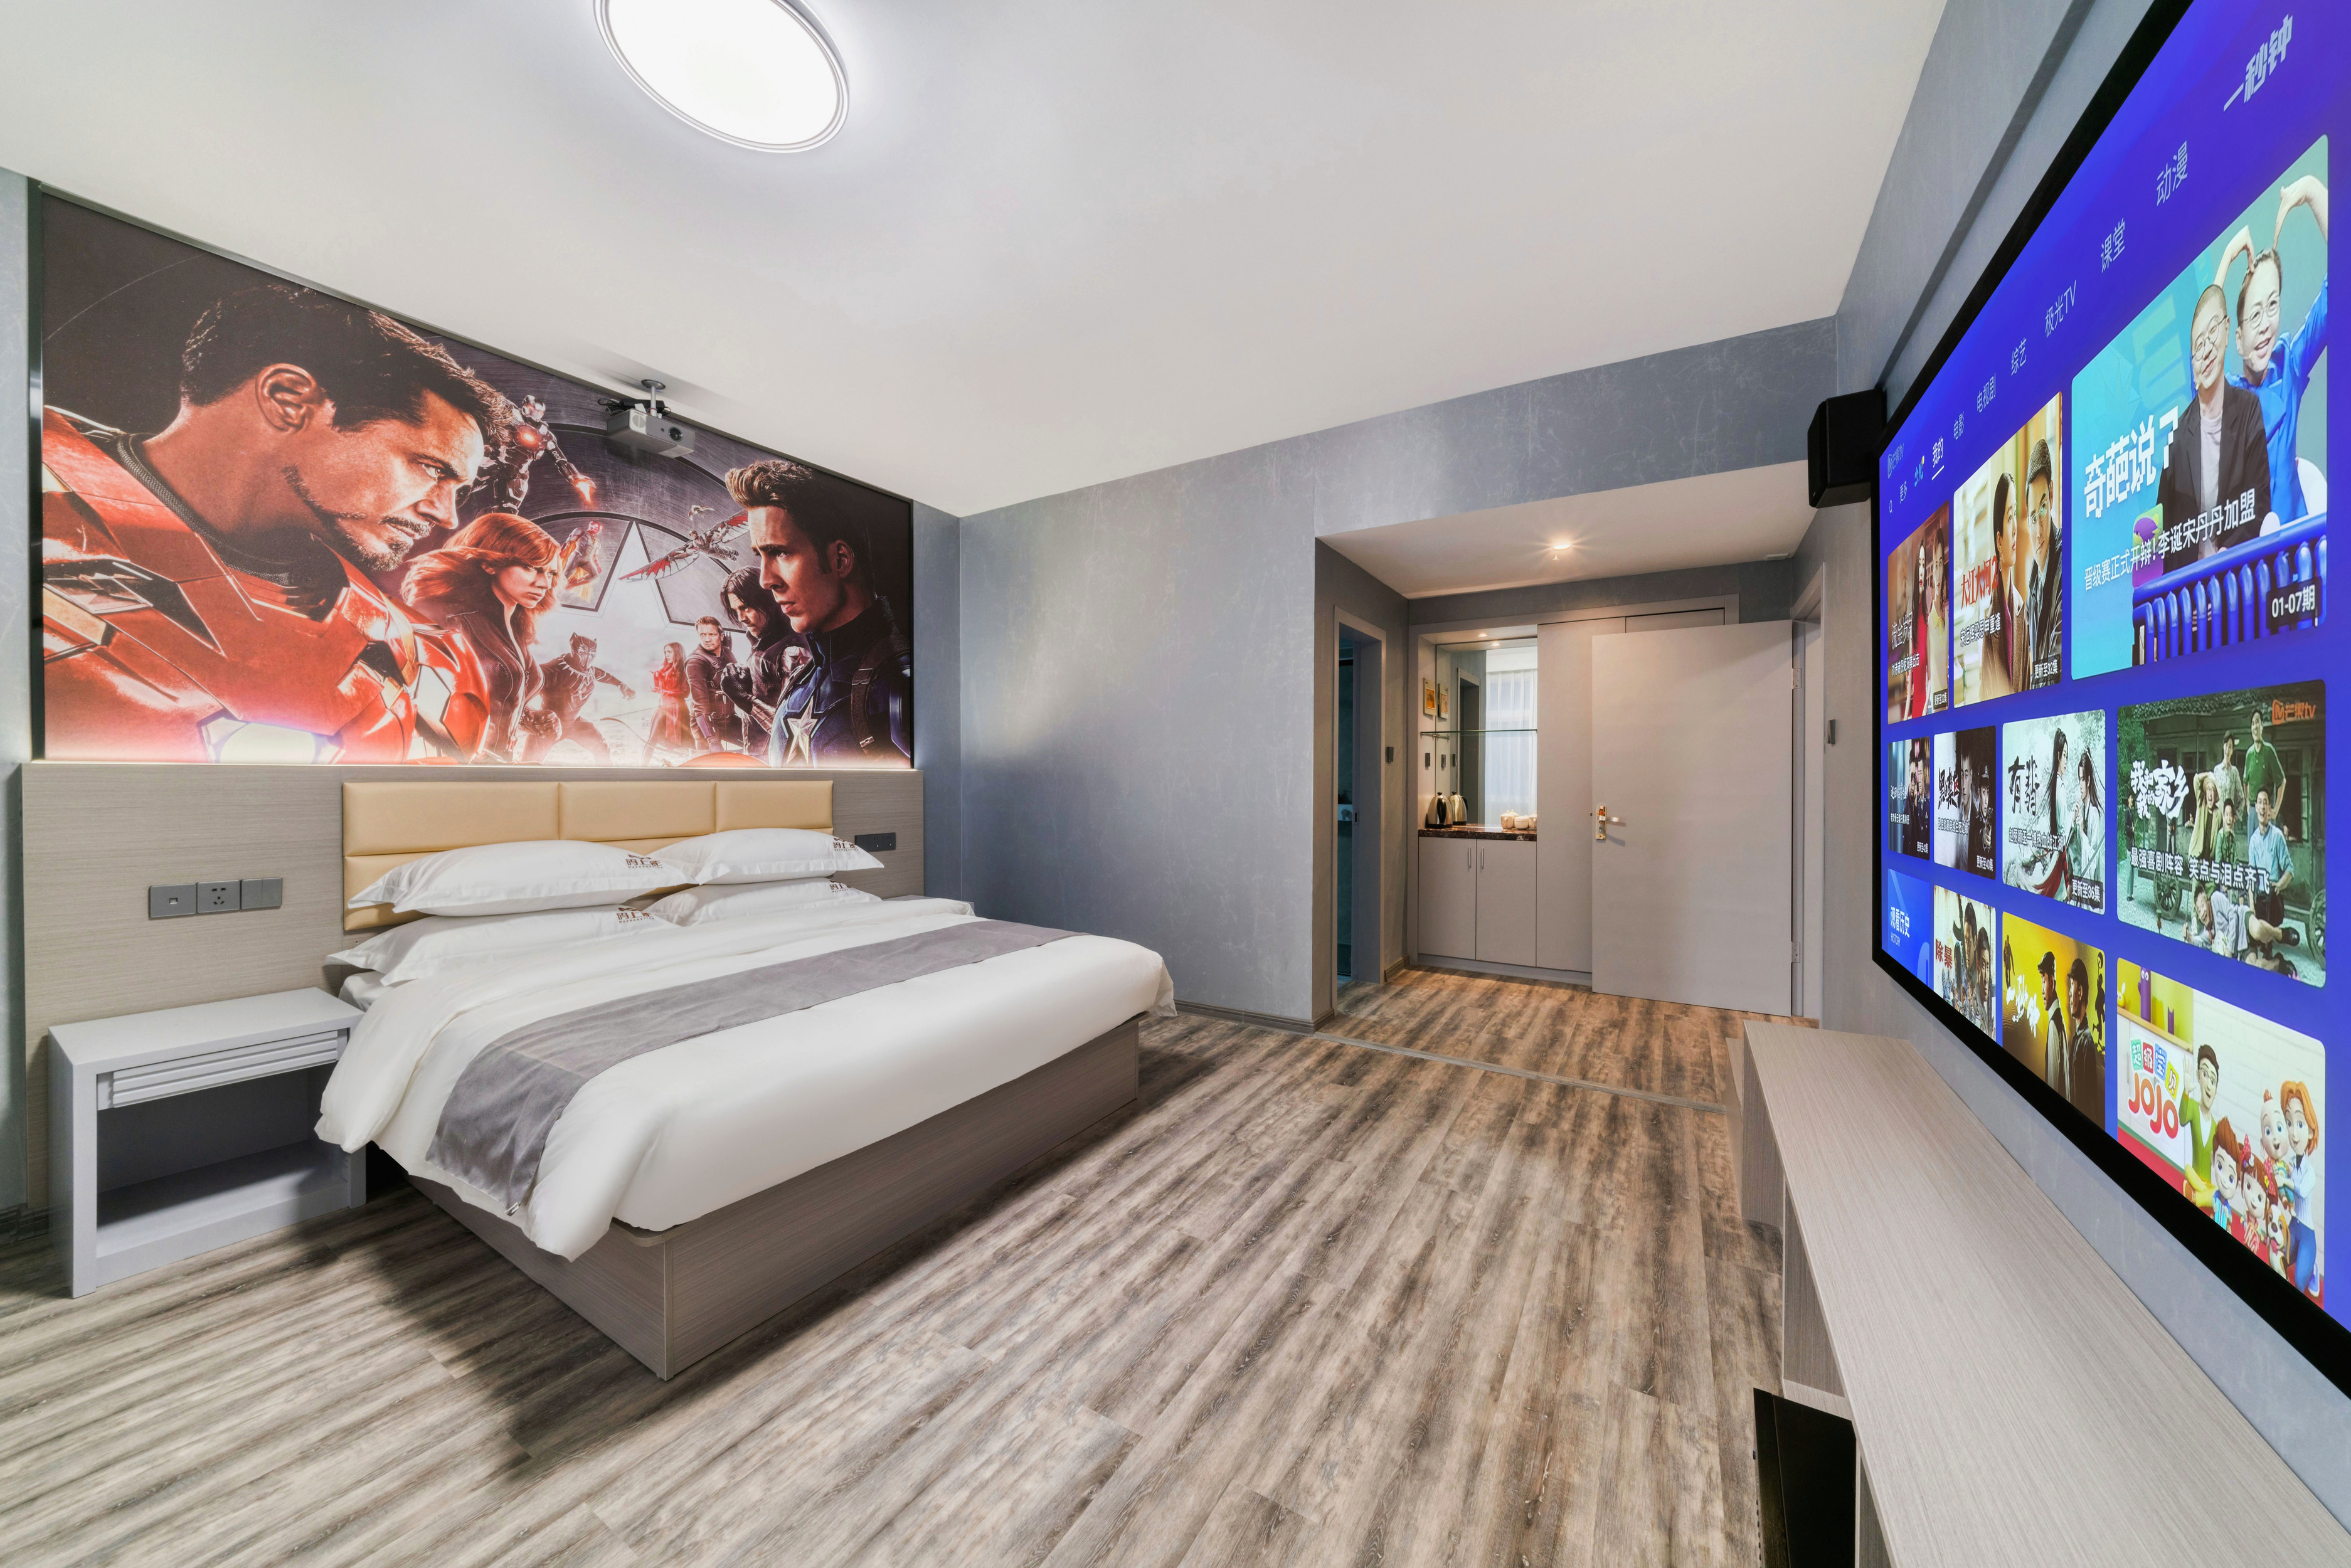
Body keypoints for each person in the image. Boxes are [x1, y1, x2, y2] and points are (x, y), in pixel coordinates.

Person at [40, 283, 511, 762]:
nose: (446, 514)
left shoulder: (416, 657)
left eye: (458, 489)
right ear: (288, 399)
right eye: (431, 468)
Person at [730, 460, 912, 766]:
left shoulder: (901, 686)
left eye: (780, 552)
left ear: (840, 560)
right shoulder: (801, 681)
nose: (766, 580)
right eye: (760, 555)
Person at [402, 513, 561, 762]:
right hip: (454, 770)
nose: (544, 583)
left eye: (551, 573)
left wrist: (528, 717)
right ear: (490, 564)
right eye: (531, 567)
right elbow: (413, 697)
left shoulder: (514, 625)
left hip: (496, 767)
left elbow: (490, 699)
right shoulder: (445, 616)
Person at [2218, 174, 2328, 523]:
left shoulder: (2289, 363)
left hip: (2301, 546)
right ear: (2237, 339)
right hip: (2250, 554)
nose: (2266, 324)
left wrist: (2312, 191)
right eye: (2254, 315)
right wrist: (2225, 261)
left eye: (2273, 305)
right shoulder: (2228, 396)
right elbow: (2201, 368)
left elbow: (2342, 282)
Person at [2157, 285, 2271, 571]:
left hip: (2237, 577)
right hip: (2186, 592)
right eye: (2198, 345)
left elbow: (2259, 506)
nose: (2207, 349)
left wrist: (2225, 559)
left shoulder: (2248, 410)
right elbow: (2159, 538)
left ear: (2228, 329)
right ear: (2191, 361)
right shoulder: (2177, 438)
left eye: (2213, 333)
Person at [716, 567, 798, 757]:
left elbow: (796, 732)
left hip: (778, 761)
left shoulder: (792, 651)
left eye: (745, 608)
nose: (741, 618)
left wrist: (745, 700)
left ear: (767, 601)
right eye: (735, 610)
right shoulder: (760, 642)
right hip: (758, 758)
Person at [2020, 439, 2063, 684]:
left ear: (2052, 495)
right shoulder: (2033, 584)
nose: (2038, 531)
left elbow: (2056, 670)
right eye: (2033, 517)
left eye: (2044, 508)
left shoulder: (2066, 560)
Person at [2279, 1079, 2323, 1300]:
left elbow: (2302, 1192)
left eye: (2300, 1124)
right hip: (2293, 1226)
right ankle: (2299, 1258)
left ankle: (2312, 1268)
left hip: (2307, 1234)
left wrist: (2285, 1182)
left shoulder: (2310, 1172)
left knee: (2298, 1282)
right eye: (2289, 1123)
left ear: (2311, 1131)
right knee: (2280, 1259)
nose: (2294, 1134)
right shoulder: (2289, 1164)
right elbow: (2287, 1196)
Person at [684, 616, 741, 750]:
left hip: (729, 719)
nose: (707, 639)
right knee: (712, 759)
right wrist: (712, 740)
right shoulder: (695, 662)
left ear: (721, 636)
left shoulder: (727, 653)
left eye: (712, 634)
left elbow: (738, 683)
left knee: (759, 743)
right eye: (702, 635)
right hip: (705, 724)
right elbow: (700, 706)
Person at [2057, 955, 2101, 1122]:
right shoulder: (2077, 1039)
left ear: (2080, 991)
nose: (2069, 994)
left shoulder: (2086, 1041)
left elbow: (2090, 1102)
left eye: (2072, 987)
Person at [2180, 1045, 2221, 1213]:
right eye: (2205, 1075)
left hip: (2207, 1184)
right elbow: (2183, 1118)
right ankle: (2202, 1196)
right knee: (2189, 1170)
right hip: (2194, 1176)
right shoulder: (2193, 1108)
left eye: (2213, 1081)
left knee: (2216, 1193)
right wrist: (2186, 1092)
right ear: (2198, 1076)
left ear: (2216, 1090)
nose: (2209, 1086)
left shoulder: (2216, 1127)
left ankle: (2196, 1196)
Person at [641, 644, 692, 764]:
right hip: (663, 709)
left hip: (680, 710)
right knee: (652, 740)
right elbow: (660, 689)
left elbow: (686, 693)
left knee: (690, 742)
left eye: (670, 652)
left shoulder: (684, 670)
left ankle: (693, 765)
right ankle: (641, 767)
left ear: (677, 653)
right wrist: (657, 680)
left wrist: (666, 691)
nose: (667, 655)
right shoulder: (664, 668)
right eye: (665, 652)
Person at [2241, 709, 2285, 819]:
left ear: (2262, 726)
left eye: (2257, 722)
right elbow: (2245, 781)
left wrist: (2276, 810)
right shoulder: (2249, 754)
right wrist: (2247, 802)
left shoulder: (2269, 751)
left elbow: (2282, 782)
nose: (2255, 727)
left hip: (2266, 809)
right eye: (2253, 724)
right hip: (2253, 810)